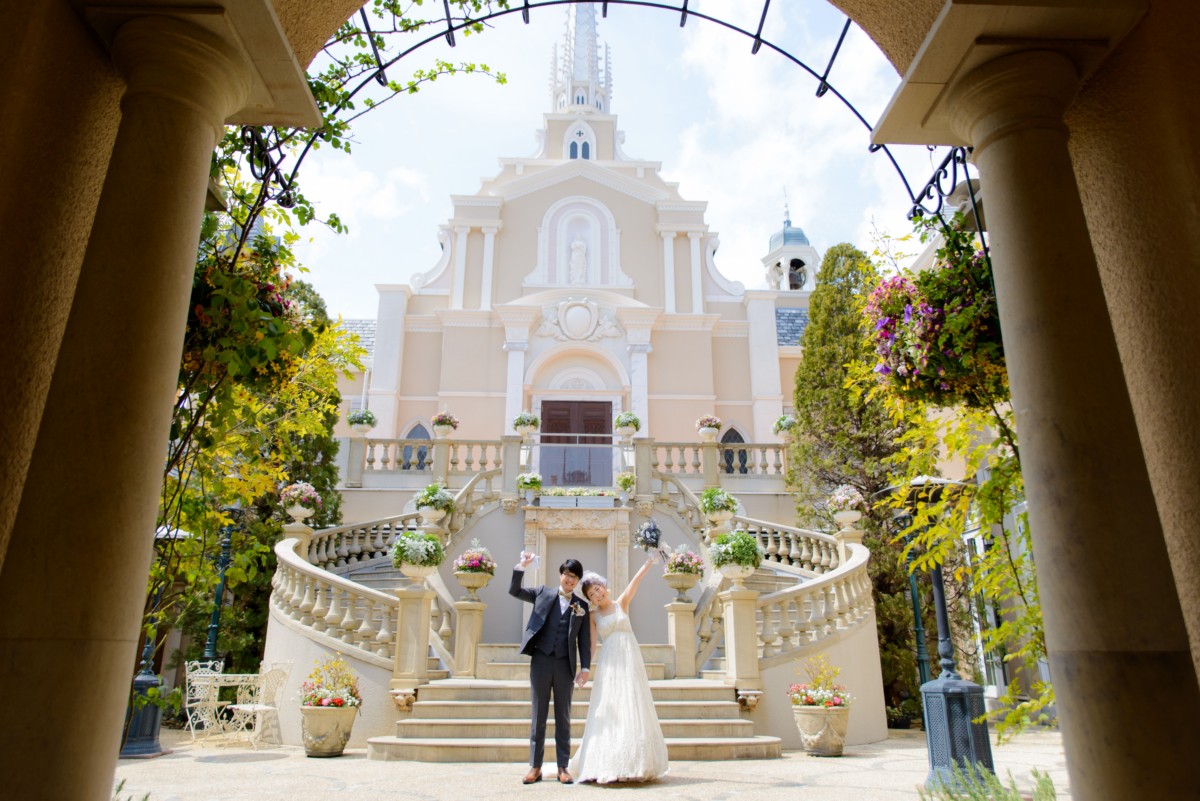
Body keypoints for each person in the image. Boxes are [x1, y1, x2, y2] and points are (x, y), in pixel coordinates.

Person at [568, 556, 669, 784]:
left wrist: (649, 562)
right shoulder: (593, 617)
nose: (596, 595)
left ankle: (635, 764)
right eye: (591, 594)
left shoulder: (621, 603)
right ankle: (608, 762)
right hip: (610, 664)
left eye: (597, 589)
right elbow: (592, 645)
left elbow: (635, 582)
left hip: (630, 660)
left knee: (632, 705)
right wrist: (585, 669)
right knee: (611, 705)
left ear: (604, 587)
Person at [510, 553, 592, 785]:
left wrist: (585, 667)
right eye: (567, 574)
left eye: (574, 577)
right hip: (541, 661)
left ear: (578, 580)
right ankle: (535, 767)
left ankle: (562, 767)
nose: (570, 580)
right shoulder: (542, 593)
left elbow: (583, 641)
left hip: (565, 665)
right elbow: (515, 591)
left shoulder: (582, 606)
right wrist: (521, 567)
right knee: (538, 716)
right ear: (561, 574)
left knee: (563, 717)